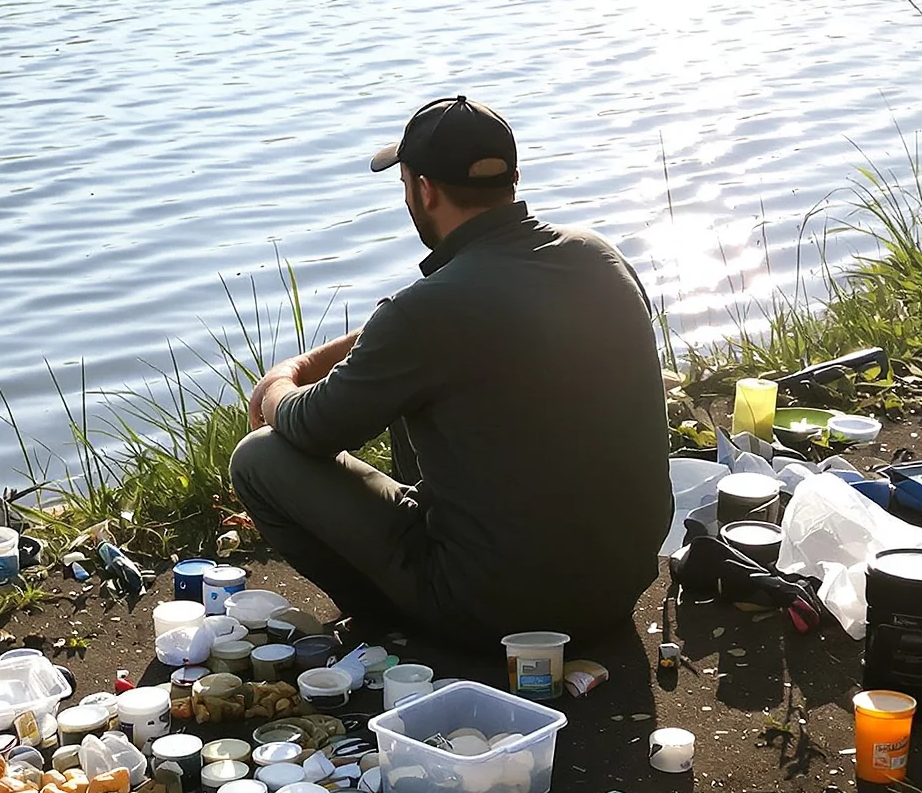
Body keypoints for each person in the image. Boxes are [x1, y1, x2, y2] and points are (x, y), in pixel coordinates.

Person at [228, 96, 673, 645]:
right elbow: (447, 333)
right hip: (613, 590)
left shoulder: (426, 314)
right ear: (512, 178)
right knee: (430, 394)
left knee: (258, 458)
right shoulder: (597, 255)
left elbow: (307, 427)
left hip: (496, 612)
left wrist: (276, 383)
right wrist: (383, 332)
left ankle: (392, 621)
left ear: (424, 190)